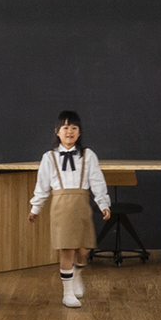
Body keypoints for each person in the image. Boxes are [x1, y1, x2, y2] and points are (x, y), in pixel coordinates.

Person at [26, 109, 110, 308]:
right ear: (57, 132)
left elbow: (97, 181)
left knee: (83, 250)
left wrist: (103, 203)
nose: (69, 131)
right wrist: (35, 208)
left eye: (74, 128)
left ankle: (77, 274)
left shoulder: (88, 156)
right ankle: (68, 293)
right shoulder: (49, 157)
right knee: (67, 250)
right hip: (61, 207)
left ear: (79, 132)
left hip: (81, 206)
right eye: (65, 127)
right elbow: (42, 185)